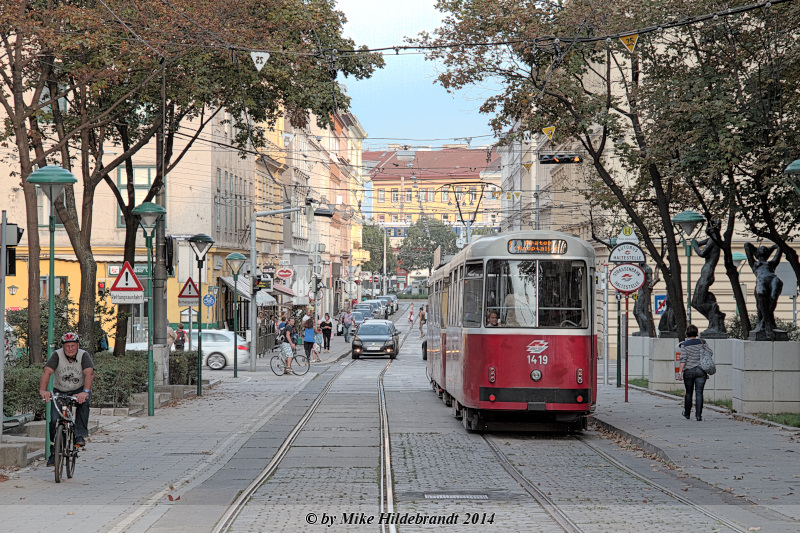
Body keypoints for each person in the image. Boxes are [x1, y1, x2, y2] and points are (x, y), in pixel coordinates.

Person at [39, 332, 95, 466]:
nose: (70, 348)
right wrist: (43, 390)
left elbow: (89, 373)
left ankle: (79, 434)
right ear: (63, 347)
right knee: (53, 420)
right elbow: (47, 371)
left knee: (84, 403)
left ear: (78, 346)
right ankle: (54, 451)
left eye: (73, 345)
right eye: (67, 346)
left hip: (78, 390)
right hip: (60, 390)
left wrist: (85, 392)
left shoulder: (83, 355)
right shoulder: (57, 355)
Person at [679, 324, 709, 421]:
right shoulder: (702, 342)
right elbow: (710, 352)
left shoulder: (684, 344)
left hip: (689, 371)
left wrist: (680, 372)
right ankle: (698, 415)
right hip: (701, 370)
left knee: (688, 393)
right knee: (699, 393)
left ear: (687, 333)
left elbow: (683, 359)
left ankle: (687, 413)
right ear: (696, 332)